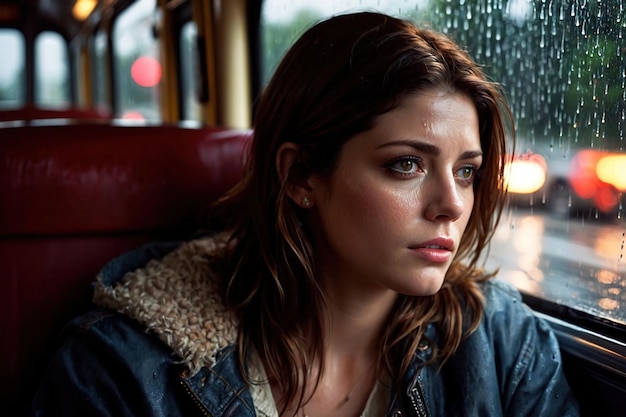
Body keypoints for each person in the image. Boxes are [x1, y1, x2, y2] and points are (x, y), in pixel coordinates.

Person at [32, 11, 579, 417]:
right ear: (299, 177)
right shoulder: (126, 368)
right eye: (407, 164)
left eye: (466, 171)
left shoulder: (505, 346)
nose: (453, 205)